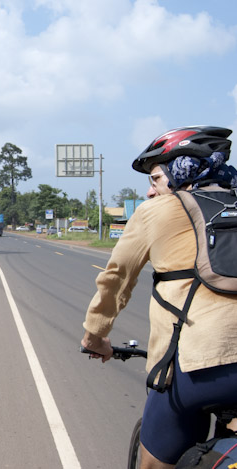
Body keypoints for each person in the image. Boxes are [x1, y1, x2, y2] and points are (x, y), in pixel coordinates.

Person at [80, 126, 237, 469]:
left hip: (197, 369)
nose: (150, 193)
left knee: (154, 462)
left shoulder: (157, 212)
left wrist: (95, 337)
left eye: (154, 180)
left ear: (182, 172)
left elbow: (115, 281)